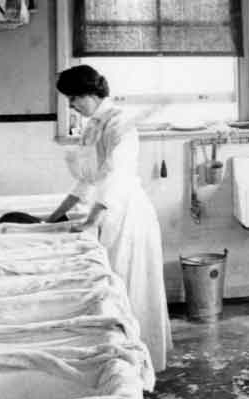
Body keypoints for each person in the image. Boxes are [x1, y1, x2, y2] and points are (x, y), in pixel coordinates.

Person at [48, 64, 172, 372]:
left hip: (126, 213)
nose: (71, 105)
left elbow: (116, 178)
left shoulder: (120, 124)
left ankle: (138, 367)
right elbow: (89, 178)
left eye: (74, 98)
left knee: (129, 288)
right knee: (113, 289)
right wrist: (55, 216)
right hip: (105, 211)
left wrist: (90, 221)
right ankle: (118, 364)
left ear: (90, 94)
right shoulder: (93, 125)